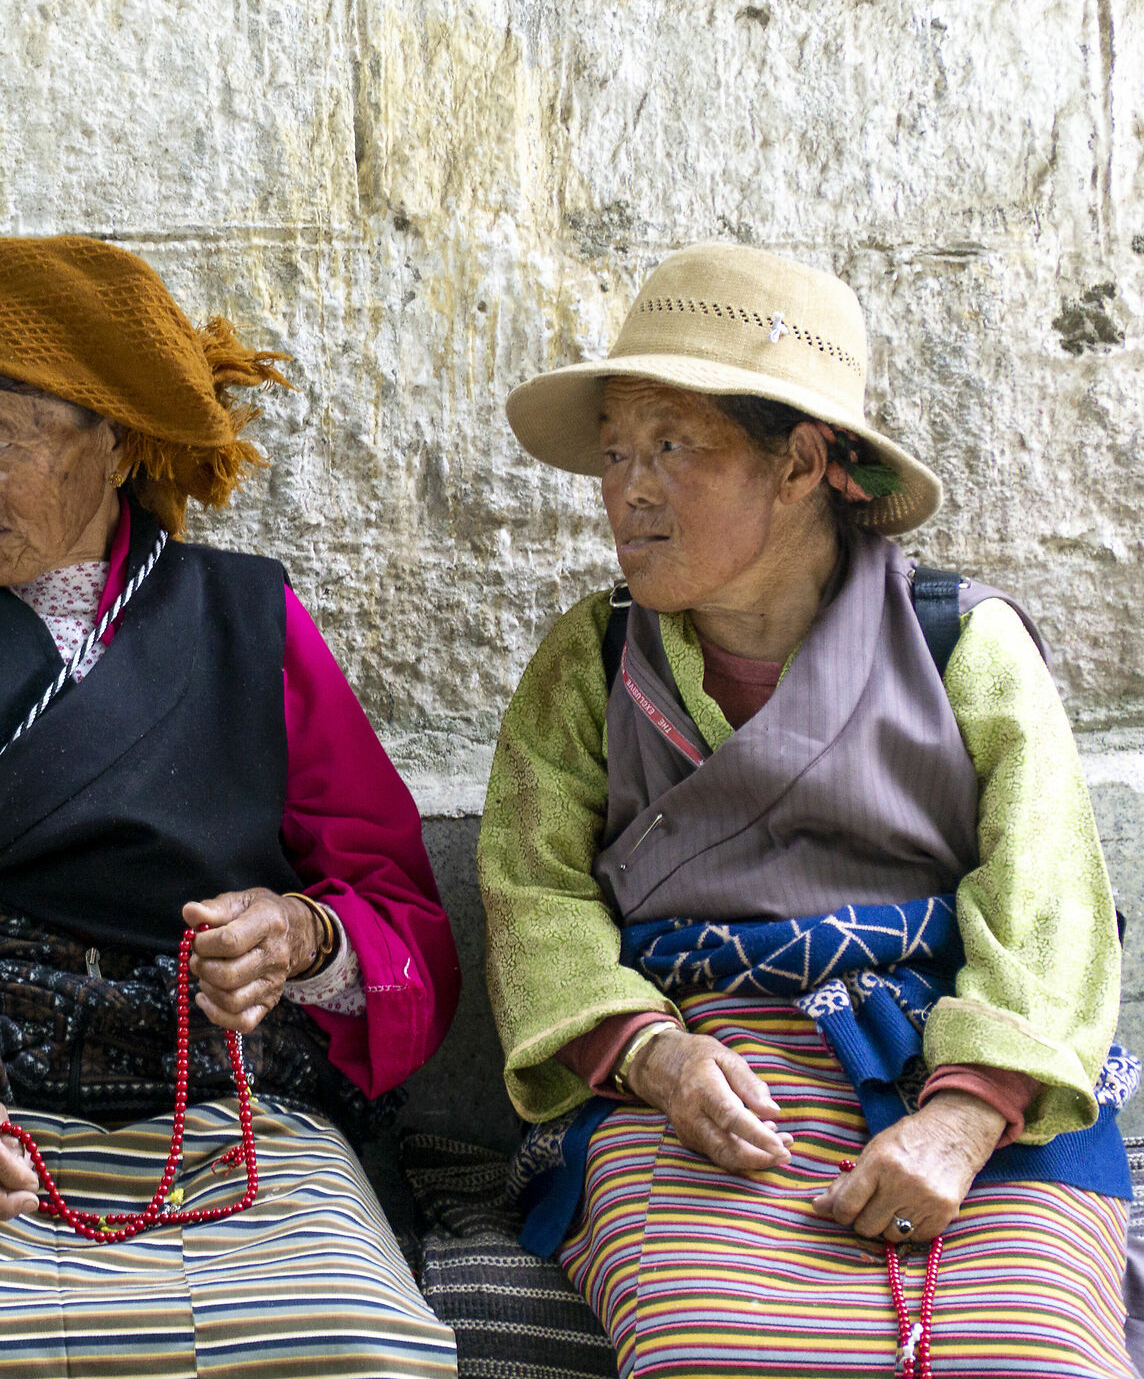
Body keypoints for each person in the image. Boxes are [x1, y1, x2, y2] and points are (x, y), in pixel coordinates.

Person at [0, 236, 460, 1377]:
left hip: (225, 1109)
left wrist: (302, 938)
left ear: (111, 443)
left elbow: (393, 897)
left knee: (357, 1345)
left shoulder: (252, 625)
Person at [479, 243, 1135, 1378]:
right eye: (619, 452)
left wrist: (962, 1119)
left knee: (1035, 1353)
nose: (628, 491)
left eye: (674, 446)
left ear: (801, 464)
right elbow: (533, 893)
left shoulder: (959, 643)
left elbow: (1049, 904)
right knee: (718, 1351)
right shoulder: (592, 659)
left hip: (954, 1067)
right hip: (700, 1081)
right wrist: (655, 1058)